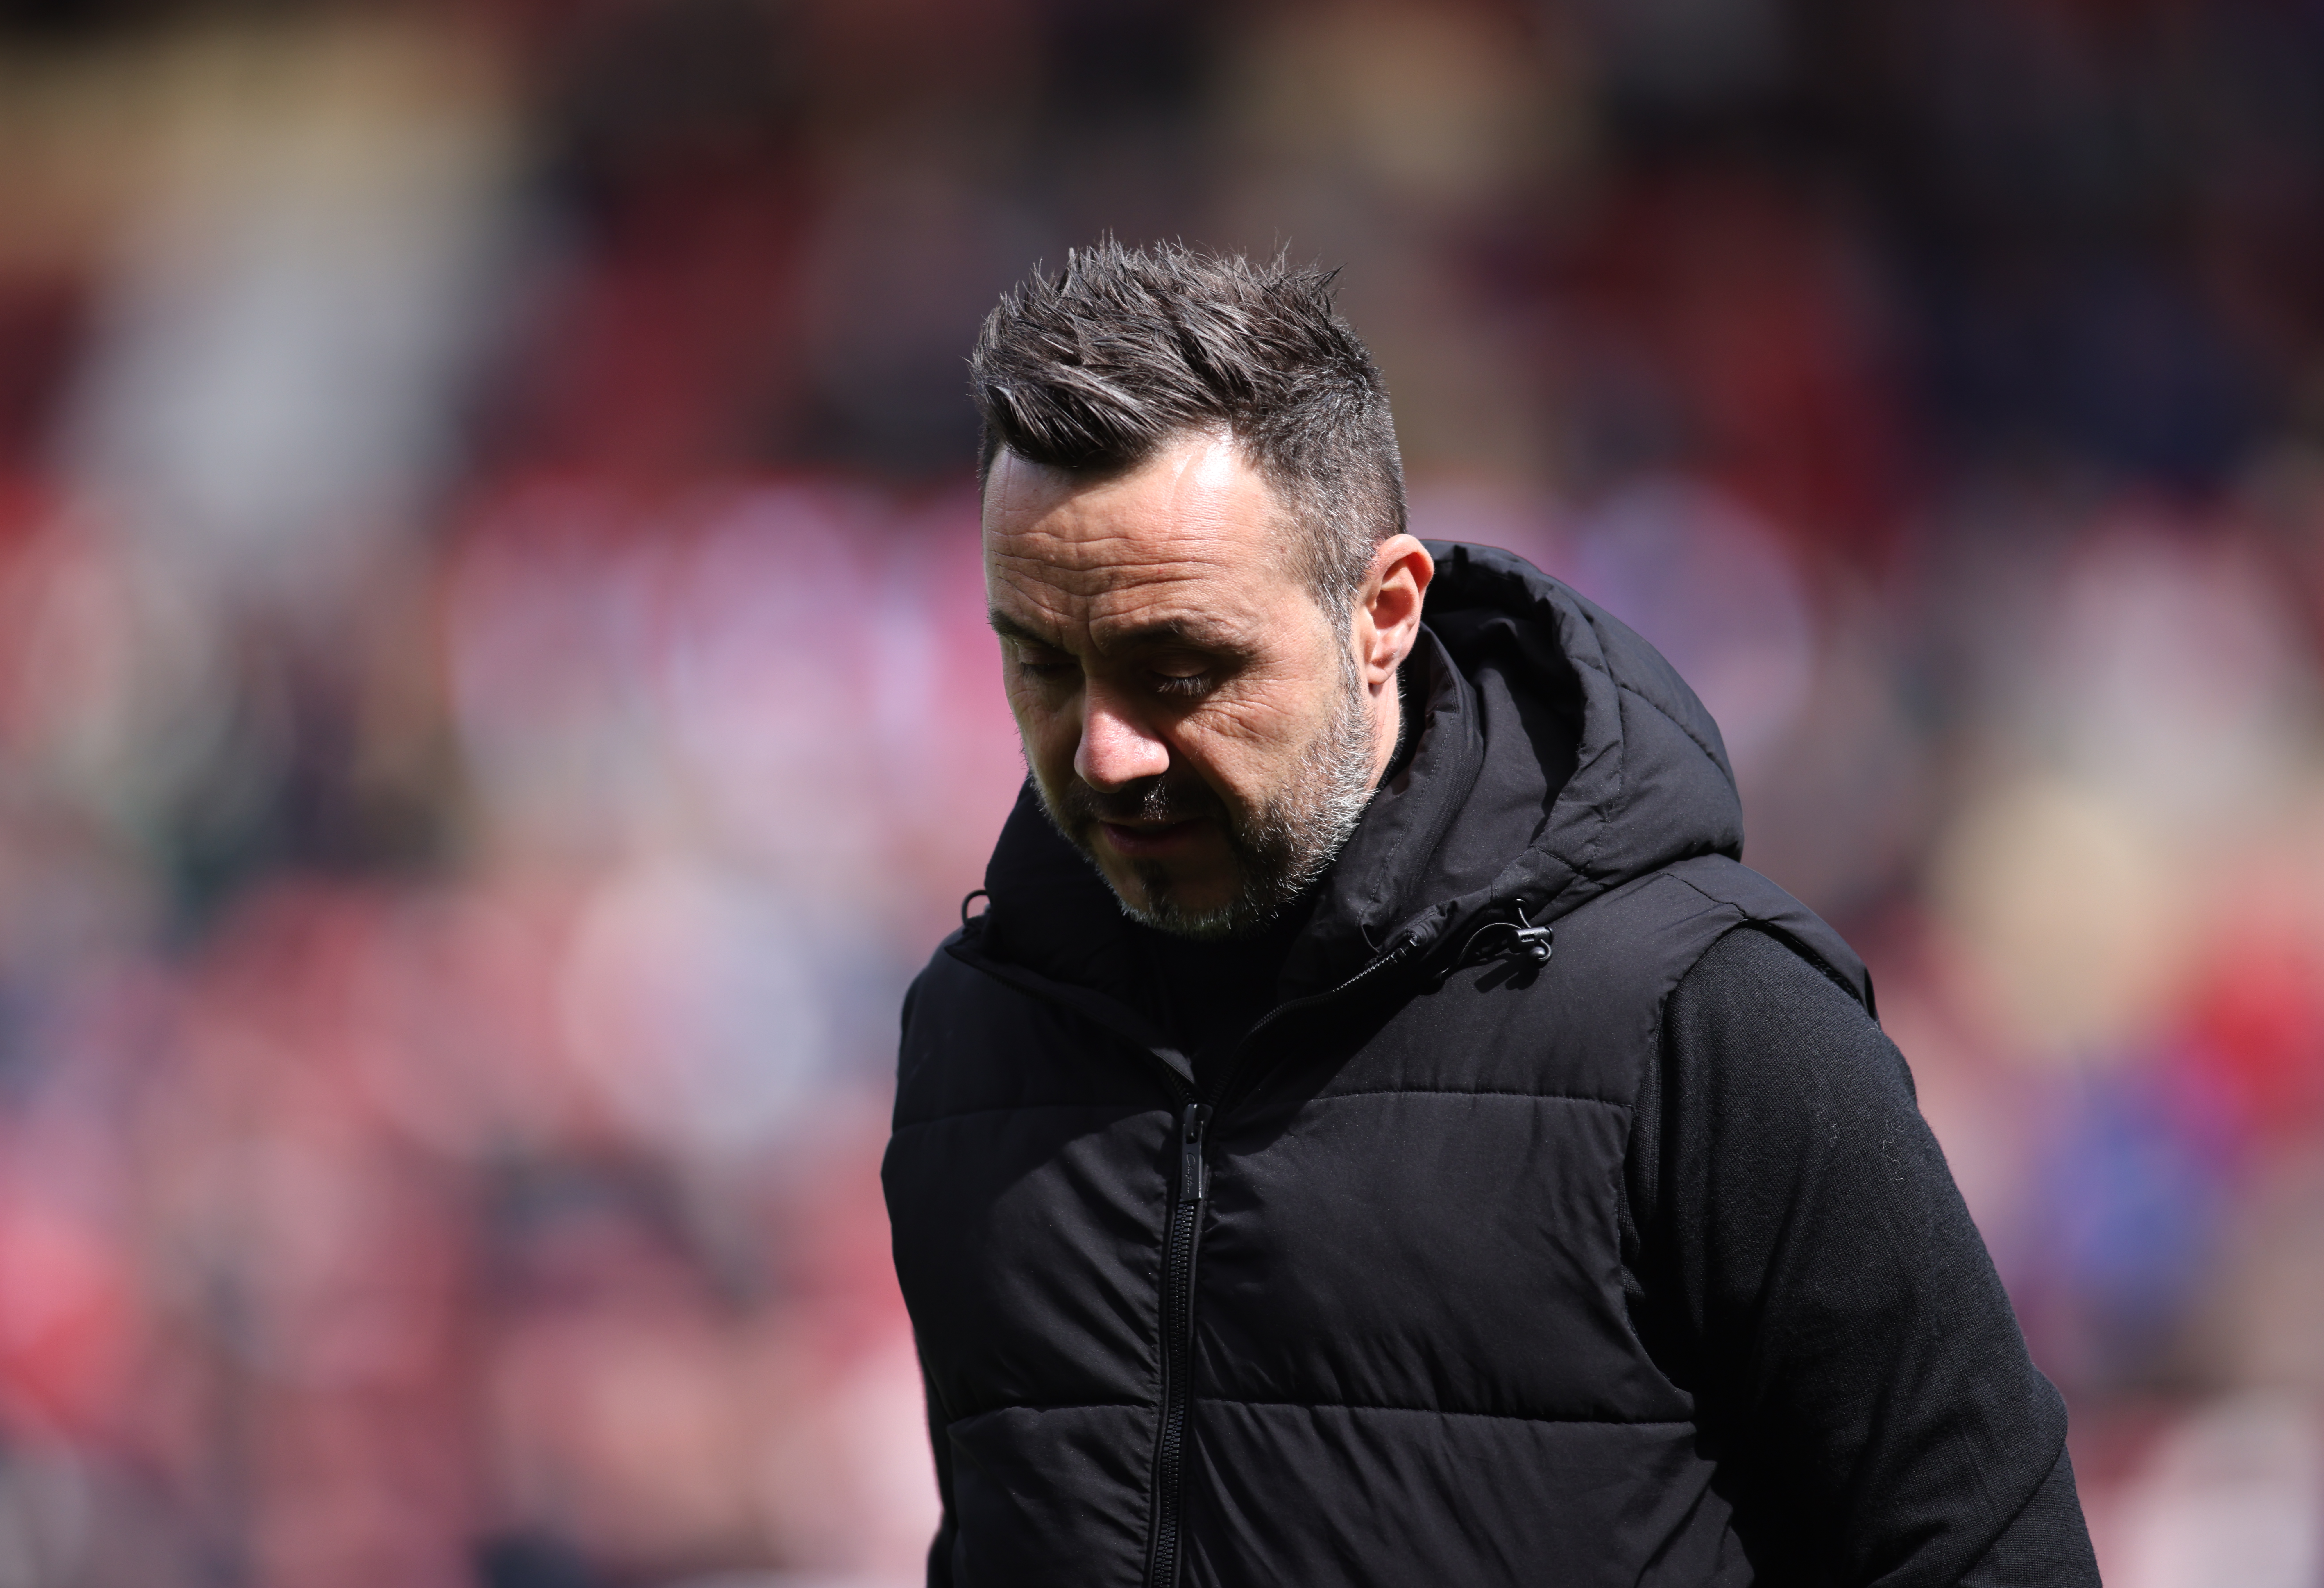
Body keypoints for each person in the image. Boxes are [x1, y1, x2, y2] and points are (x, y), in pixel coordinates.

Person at [882, 239, 2098, 1587]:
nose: (1106, 748)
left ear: (1382, 612)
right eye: (1042, 663)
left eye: (1179, 666)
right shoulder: (972, 1037)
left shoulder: (1706, 1021)